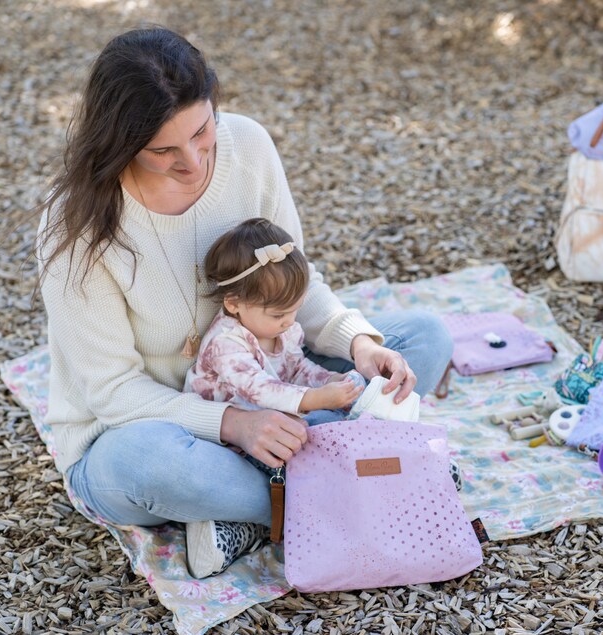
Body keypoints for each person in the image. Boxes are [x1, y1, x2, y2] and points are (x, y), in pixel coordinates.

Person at [36, 26, 453, 579]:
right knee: (149, 463)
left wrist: (358, 343)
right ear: (119, 143)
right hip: (151, 429)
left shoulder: (248, 146)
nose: (193, 162)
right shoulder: (76, 226)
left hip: (268, 380)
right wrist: (234, 424)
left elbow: (293, 286)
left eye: (201, 131)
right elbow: (114, 394)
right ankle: (367, 481)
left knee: (423, 338)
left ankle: (260, 512)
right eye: (163, 150)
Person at [184, 218, 366, 428]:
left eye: (295, 309)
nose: (290, 321)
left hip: (271, 413)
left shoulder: (282, 330)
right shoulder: (225, 344)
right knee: (321, 423)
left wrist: (329, 381)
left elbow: (296, 368)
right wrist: (316, 398)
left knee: (347, 408)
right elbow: (259, 389)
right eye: (278, 315)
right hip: (230, 428)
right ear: (234, 304)